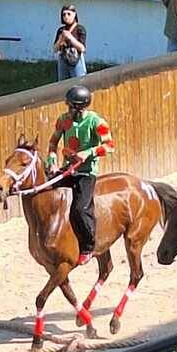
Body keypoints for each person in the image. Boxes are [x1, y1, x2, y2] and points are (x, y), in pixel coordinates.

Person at [45, 85, 114, 265]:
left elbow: (109, 146)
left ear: (81, 107)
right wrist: (51, 160)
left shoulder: (96, 122)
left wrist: (89, 152)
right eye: (68, 107)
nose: (69, 111)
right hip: (68, 169)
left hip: (86, 172)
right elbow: (53, 143)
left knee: (80, 209)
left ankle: (88, 246)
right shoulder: (63, 120)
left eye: (72, 108)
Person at [53, 4, 86, 80]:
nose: (66, 17)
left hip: (76, 60)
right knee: (62, 84)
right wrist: (61, 39)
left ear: (74, 14)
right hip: (63, 60)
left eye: (69, 14)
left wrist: (70, 38)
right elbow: (55, 49)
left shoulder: (80, 29)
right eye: (64, 14)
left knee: (78, 83)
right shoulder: (61, 30)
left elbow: (82, 48)